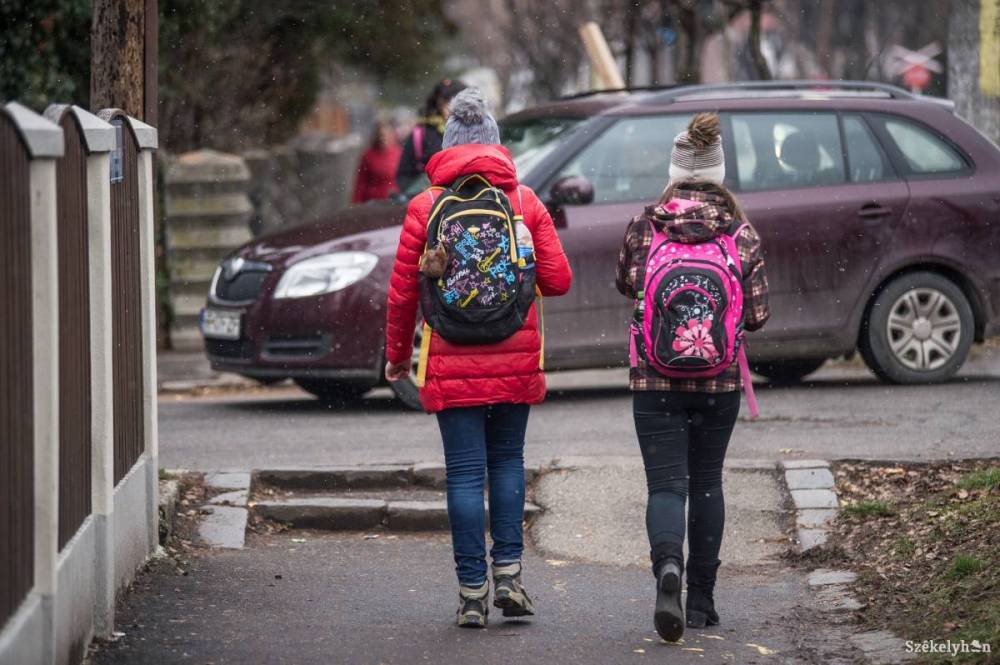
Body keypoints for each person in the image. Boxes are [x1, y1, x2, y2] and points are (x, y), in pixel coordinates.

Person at [383, 88, 572, 627]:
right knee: (508, 463)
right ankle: (509, 575)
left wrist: (397, 358)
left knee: (465, 475)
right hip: (515, 358)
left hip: (449, 357)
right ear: (495, 145)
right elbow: (558, 282)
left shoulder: (424, 208)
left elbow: (401, 296)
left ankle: (472, 594)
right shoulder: (524, 202)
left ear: (446, 148)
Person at [615, 113, 770, 642]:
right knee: (707, 484)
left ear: (674, 171)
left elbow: (626, 283)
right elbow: (756, 316)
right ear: (721, 173)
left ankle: (667, 570)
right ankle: (702, 600)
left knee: (665, 486)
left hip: (653, 380)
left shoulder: (645, 226)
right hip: (720, 380)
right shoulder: (740, 235)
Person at [394, 78, 467, 192]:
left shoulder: (476, 132)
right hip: (431, 203)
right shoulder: (421, 133)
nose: (450, 106)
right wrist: (419, 192)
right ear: (437, 102)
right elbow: (404, 176)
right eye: (446, 100)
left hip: (468, 203)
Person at [352, 120, 402, 204]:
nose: (383, 138)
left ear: (393, 135)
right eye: (381, 135)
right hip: (372, 202)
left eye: (386, 135)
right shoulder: (368, 156)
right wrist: (356, 202)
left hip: (394, 202)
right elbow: (361, 183)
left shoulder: (400, 154)